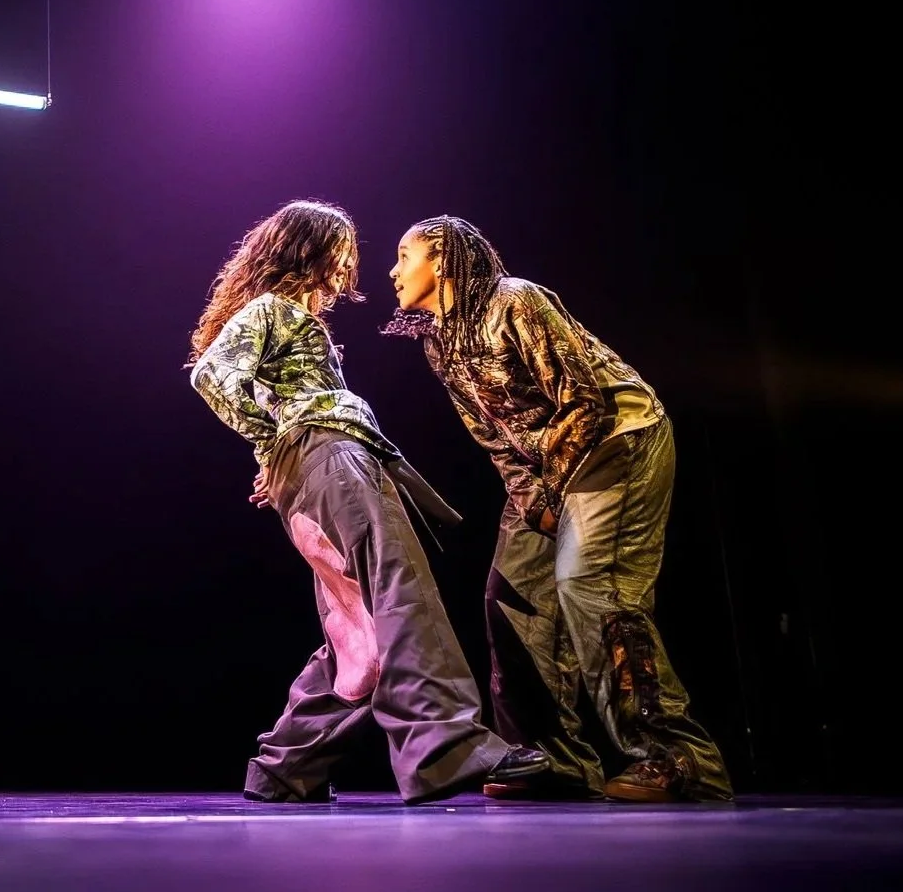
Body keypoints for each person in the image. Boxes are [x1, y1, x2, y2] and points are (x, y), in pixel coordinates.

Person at [189, 199, 550, 804]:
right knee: (397, 593)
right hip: (331, 459)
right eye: (343, 248)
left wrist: (275, 450)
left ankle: (286, 767)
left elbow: (271, 400)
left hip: (321, 464)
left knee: (357, 626)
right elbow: (211, 375)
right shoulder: (273, 309)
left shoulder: (297, 321)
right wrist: (272, 439)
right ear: (311, 250)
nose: (353, 263)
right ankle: (447, 747)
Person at [383, 215, 734, 802]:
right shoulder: (439, 342)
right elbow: (496, 439)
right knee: (512, 600)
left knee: (591, 586)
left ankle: (678, 756)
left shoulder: (515, 301)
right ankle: (554, 759)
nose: (393, 271)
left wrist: (550, 495)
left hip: (616, 442)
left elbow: (584, 403)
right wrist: (533, 500)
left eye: (404, 254)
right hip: (547, 474)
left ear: (442, 259)